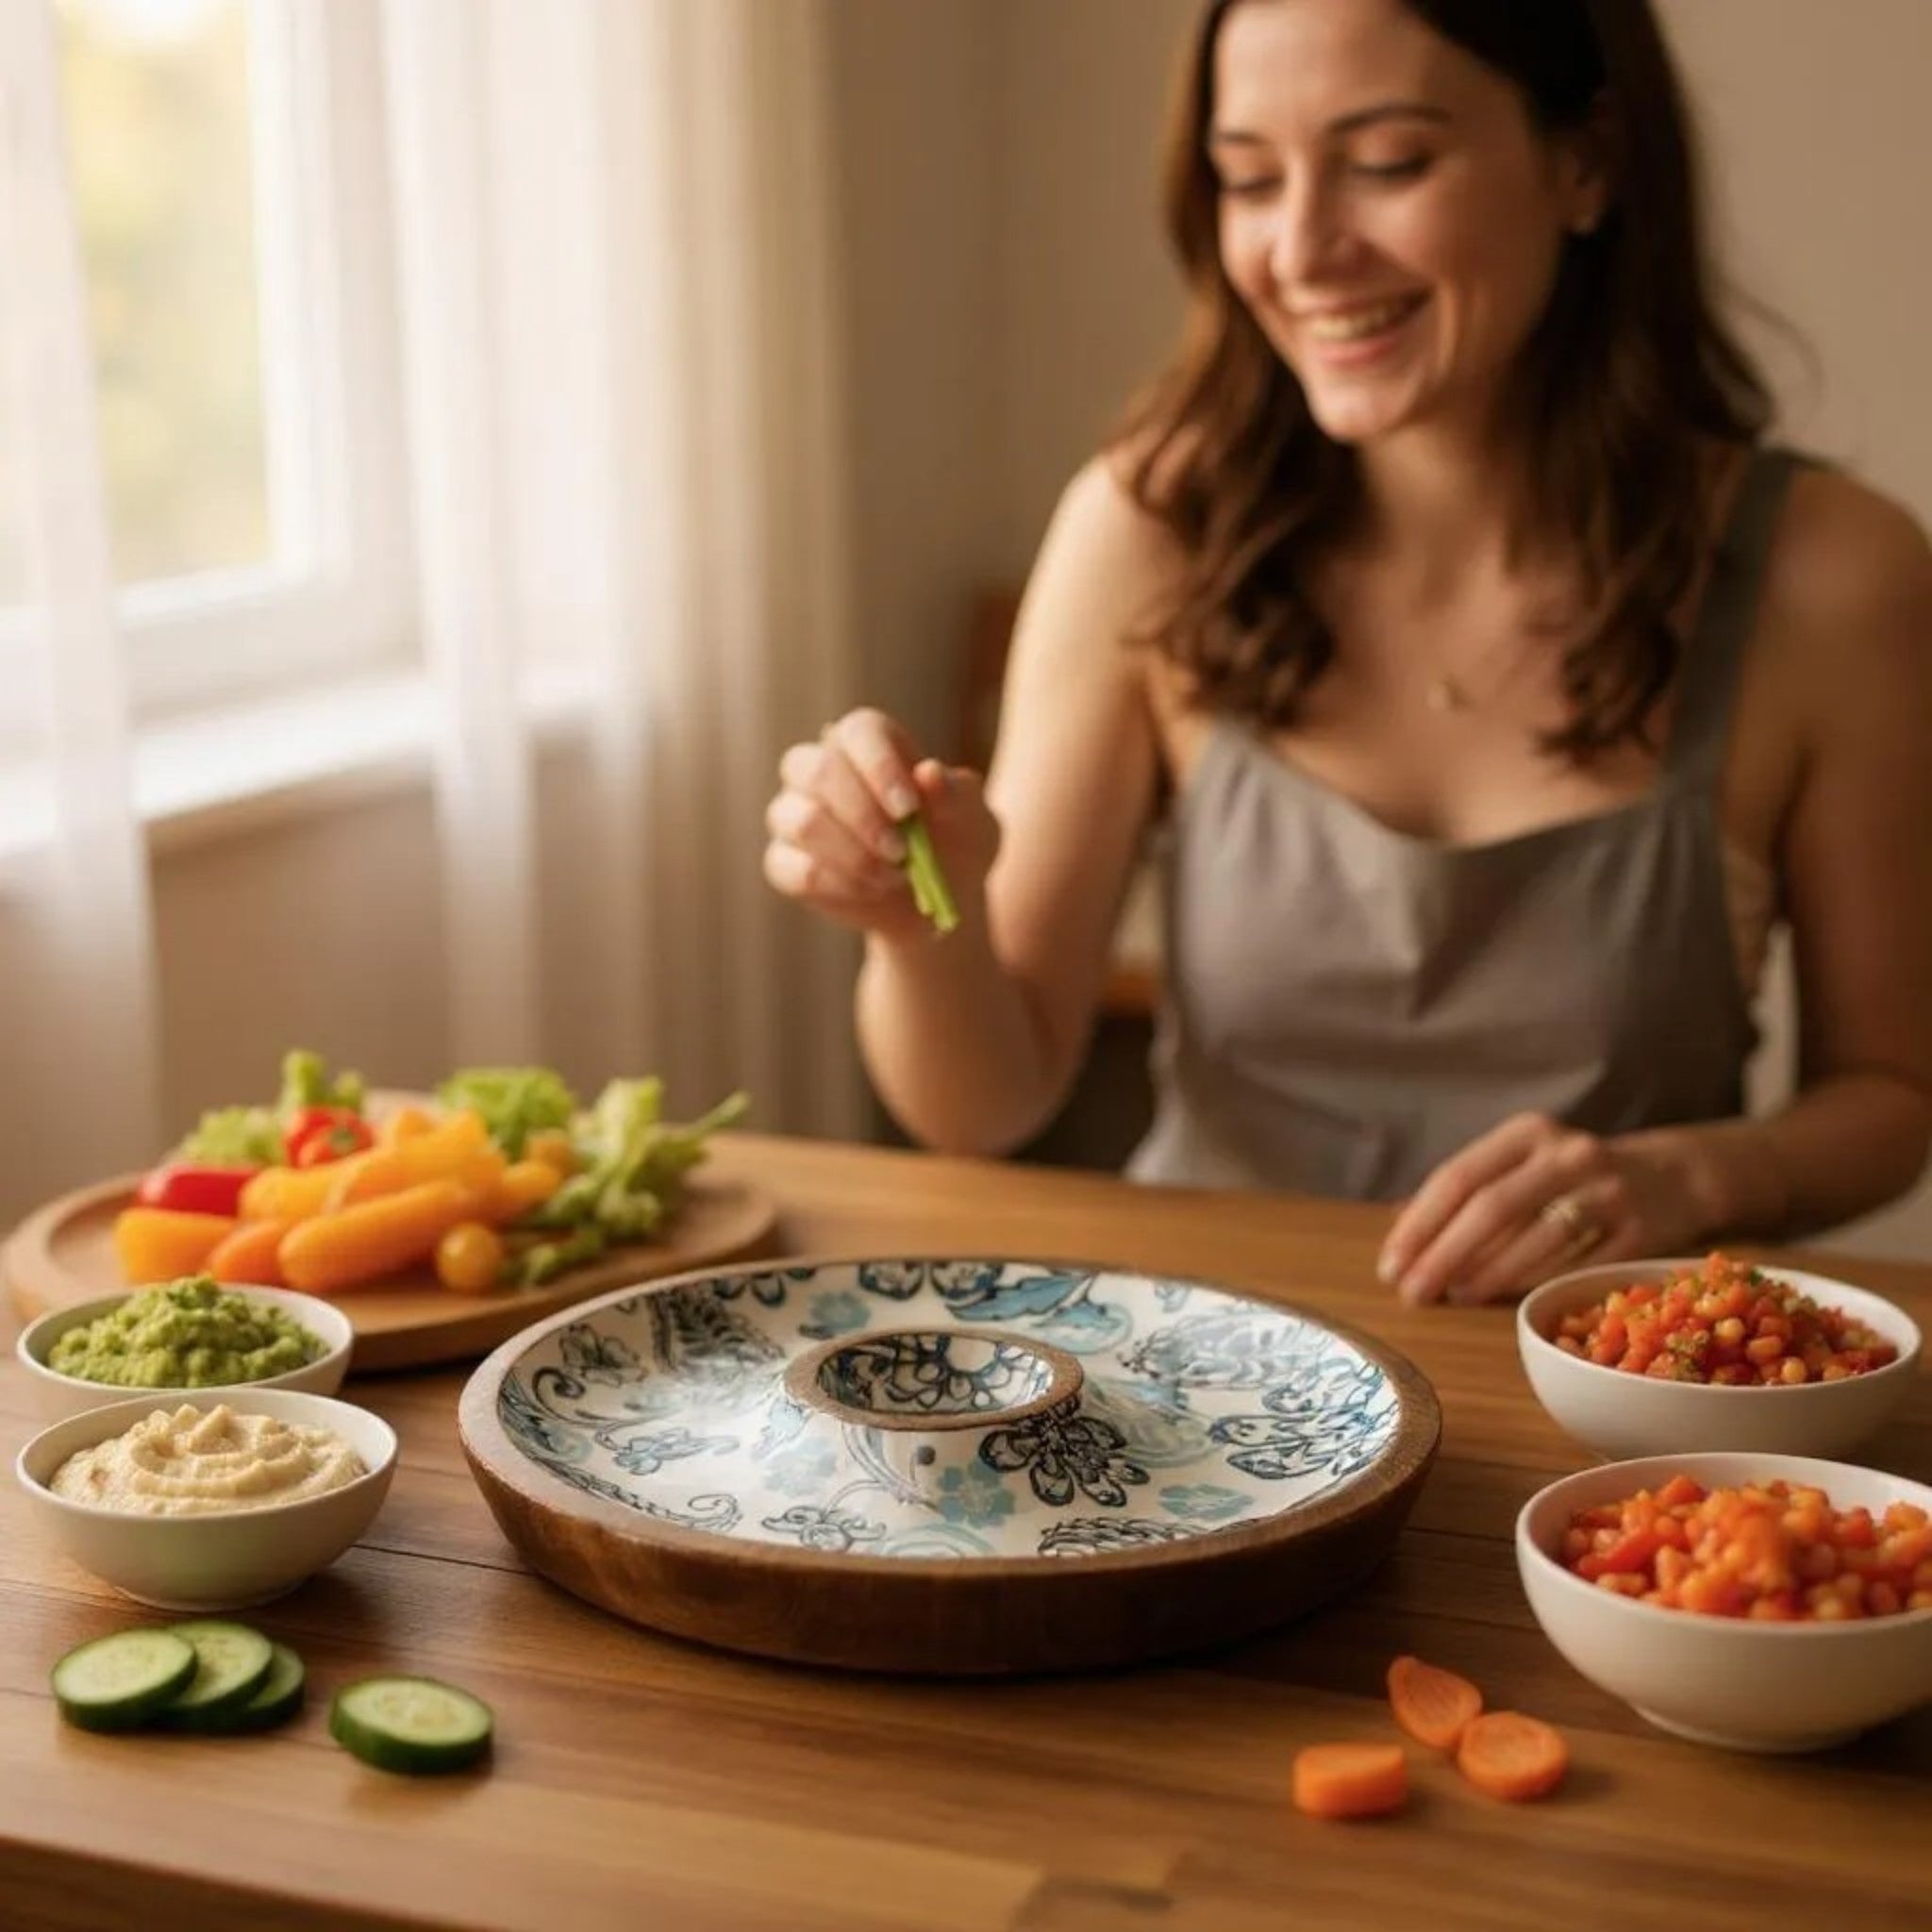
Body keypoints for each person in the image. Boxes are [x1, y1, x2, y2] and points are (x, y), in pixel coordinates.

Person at [762, 0, 1932, 1307]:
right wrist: (918, 927)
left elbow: (1889, 1096)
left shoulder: (1834, 578)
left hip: (1610, 1410)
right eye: (1249, 179)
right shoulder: (1147, 527)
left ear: (1588, 162)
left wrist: (1690, 1180)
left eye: (1387, 164)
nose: (1302, 250)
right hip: (1189, 1381)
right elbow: (983, 1104)